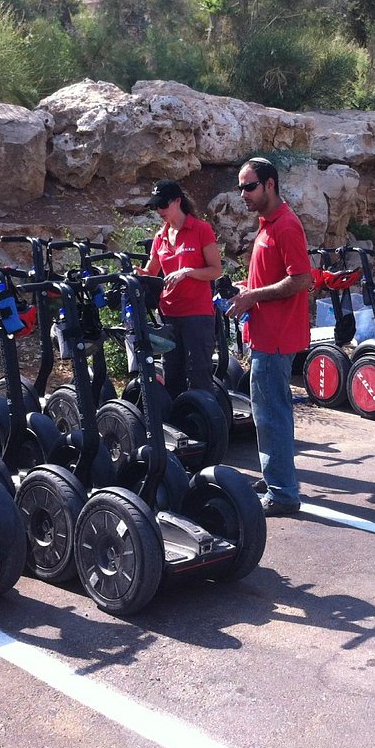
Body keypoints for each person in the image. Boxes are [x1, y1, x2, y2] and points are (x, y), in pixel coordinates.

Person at [226, 157, 313, 516]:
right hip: (265, 333)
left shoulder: (286, 226)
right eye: (241, 187)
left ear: (270, 185)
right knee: (271, 412)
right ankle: (276, 476)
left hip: (276, 337)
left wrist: (253, 296)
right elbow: (273, 279)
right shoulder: (268, 224)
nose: (243, 194)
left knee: (271, 414)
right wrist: (245, 288)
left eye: (249, 186)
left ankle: (282, 494)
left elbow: (301, 279)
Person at [140, 180, 222, 397]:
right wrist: (134, 274)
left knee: (198, 374)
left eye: (162, 205)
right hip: (169, 315)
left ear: (177, 201)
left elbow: (215, 270)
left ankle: (205, 426)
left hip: (197, 315)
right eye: (155, 207)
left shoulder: (201, 229)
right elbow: (150, 272)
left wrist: (187, 272)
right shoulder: (160, 237)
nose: (159, 211)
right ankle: (177, 425)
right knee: (172, 374)